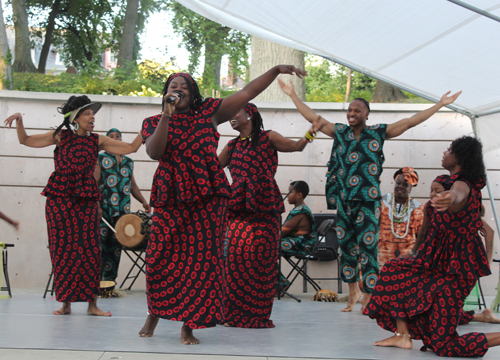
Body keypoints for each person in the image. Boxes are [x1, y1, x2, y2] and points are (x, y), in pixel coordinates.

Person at [138, 66, 306, 344]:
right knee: (159, 257)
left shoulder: (210, 113)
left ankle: (188, 326)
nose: (177, 88)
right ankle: (154, 313)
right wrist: (166, 116)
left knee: (201, 261)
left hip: (208, 198)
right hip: (170, 195)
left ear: (193, 96)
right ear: (165, 93)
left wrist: (276, 71)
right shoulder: (153, 121)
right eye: (172, 85)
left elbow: (247, 92)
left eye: (184, 86)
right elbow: (155, 152)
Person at [278, 78, 461, 312]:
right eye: (349, 110)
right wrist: (293, 95)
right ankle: (353, 292)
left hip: (368, 201)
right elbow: (313, 119)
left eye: (357, 110)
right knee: (347, 246)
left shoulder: (378, 133)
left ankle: (369, 295)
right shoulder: (340, 132)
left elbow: (409, 122)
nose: (352, 113)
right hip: (345, 201)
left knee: (368, 247)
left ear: (366, 115)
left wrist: (439, 104)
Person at [4, 95, 142, 316]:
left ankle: (92, 305)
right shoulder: (60, 136)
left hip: (86, 199)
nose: (92, 117)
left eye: (93, 114)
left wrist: (147, 128)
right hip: (59, 199)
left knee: (90, 250)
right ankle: (66, 303)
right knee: (62, 250)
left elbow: (132, 148)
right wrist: (20, 120)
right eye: (87, 113)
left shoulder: (97, 141)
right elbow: (26, 141)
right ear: (75, 118)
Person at [365, 136, 500, 357]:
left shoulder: (463, 184)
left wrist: (449, 197)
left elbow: (457, 192)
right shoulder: (455, 190)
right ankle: (402, 336)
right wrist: (415, 252)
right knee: (392, 271)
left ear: (459, 157)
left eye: (449, 150)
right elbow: (428, 230)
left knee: (444, 345)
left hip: (454, 276)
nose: (444, 153)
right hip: (436, 268)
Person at [219, 105, 317, 328]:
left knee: (262, 264)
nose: (231, 118)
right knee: (235, 263)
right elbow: (213, 170)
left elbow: (296, 146)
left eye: (236, 113)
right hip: (238, 210)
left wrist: (311, 133)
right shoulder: (232, 145)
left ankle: (255, 316)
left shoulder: (267, 137)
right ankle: (231, 315)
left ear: (249, 115)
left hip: (265, 209)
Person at [94, 128, 151, 290]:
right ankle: (95, 286)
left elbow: (133, 186)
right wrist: (97, 205)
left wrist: (144, 202)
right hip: (104, 211)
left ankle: (109, 286)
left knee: (116, 248)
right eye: (111, 137)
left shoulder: (128, 162)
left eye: (118, 136)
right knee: (100, 246)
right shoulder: (100, 158)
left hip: (122, 212)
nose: (115, 139)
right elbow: (94, 183)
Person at [378, 167, 424, 267]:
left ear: (411, 187)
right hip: (381, 257)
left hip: (407, 259)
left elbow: (421, 236)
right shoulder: (382, 203)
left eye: (405, 184)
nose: (400, 186)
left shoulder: (418, 208)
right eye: (398, 183)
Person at [281, 180, 317, 256]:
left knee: (265, 244)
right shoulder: (303, 209)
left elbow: (282, 232)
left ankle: (269, 268)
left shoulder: (301, 211)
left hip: (300, 246)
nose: (287, 195)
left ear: (299, 195)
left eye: (290, 192)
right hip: (301, 244)